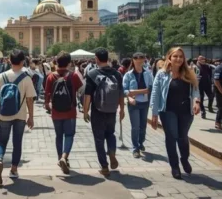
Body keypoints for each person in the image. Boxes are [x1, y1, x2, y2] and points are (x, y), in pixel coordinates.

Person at [150, 47, 201, 180]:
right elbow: (155, 94)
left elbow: (195, 89)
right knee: (171, 137)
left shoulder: (189, 72)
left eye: (180, 56)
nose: (178, 59)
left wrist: (197, 102)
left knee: (183, 137)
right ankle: (175, 166)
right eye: (175, 56)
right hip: (168, 111)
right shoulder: (162, 74)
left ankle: (184, 158)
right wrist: (154, 113)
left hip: (185, 111)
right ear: (169, 58)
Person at [0, 49, 36, 186]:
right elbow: (30, 100)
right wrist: (31, 117)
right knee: (17, 142)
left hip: (4, 114)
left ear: (9, 60)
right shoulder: (26, 78)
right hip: (20, 116)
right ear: (23, 62)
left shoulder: (1, 76)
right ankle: (14, 169)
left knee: (2, 142)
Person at [82, 47, 125, 178]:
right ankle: (111, 151)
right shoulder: (117, 74)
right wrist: (122, 109)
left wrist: (85, 111)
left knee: (99, 138)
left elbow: (87, 95)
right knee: (110, 133)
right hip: (112, 110)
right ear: (107, 58)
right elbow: (121, 94)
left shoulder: (92, 74)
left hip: (98, 110)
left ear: (96, 59)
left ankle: (104, 167)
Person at [44, 52, 83, 173]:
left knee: (59, 136)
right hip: (70, 111)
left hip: (56, 111)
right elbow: (81, 90)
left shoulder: (51, 76)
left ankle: (60, 158)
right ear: (69, 63)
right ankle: (64, 157)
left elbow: (47, 93)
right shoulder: (73, 76)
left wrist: (47, 105)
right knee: (69, 135)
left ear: (56, 62)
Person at [123, 52, 153, 157]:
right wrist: (130, 95)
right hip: (133, 103)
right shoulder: (128, 75)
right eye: (136, 58)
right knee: (135, 126)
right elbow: (124, 90)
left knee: (143, 126)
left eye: (141, 58)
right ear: (133, 60)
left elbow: (150, 89)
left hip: (144, 103)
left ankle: (141, 143)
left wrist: (134, 92)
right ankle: (135, 148)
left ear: (144, 60)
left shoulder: (148, 73)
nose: (139, 60)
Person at [214, 59, 222, 130]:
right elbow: (216, 82)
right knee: (221, 107)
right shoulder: (219, 68)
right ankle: (218, 122)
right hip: (219, 91)